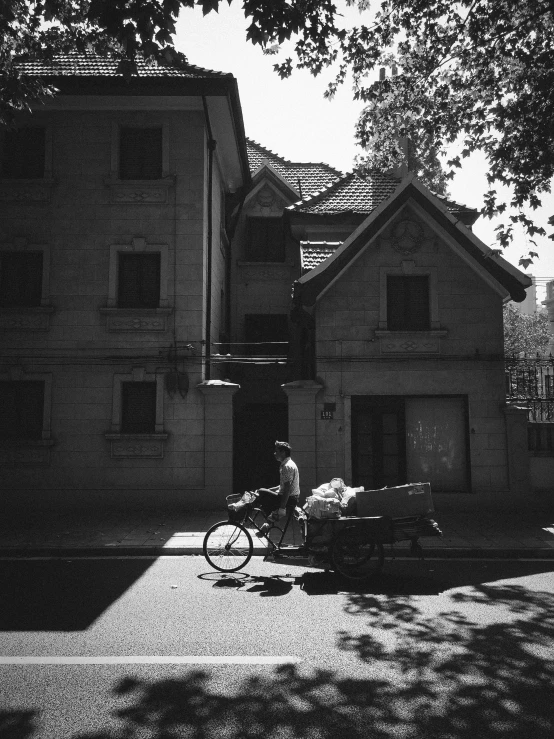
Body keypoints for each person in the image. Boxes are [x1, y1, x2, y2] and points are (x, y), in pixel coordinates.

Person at [256, 441, 300, 522]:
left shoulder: (287, 467)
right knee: (262, 491)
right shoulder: (287, 464)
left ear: (283, 452)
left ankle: (271, 519)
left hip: (290, 499)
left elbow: (287, 489)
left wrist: (282, 508)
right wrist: (269, 490)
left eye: (276, 451)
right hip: (292, 497)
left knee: (261, 492)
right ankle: (269, 521)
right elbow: (282, 486)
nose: (274, 453)